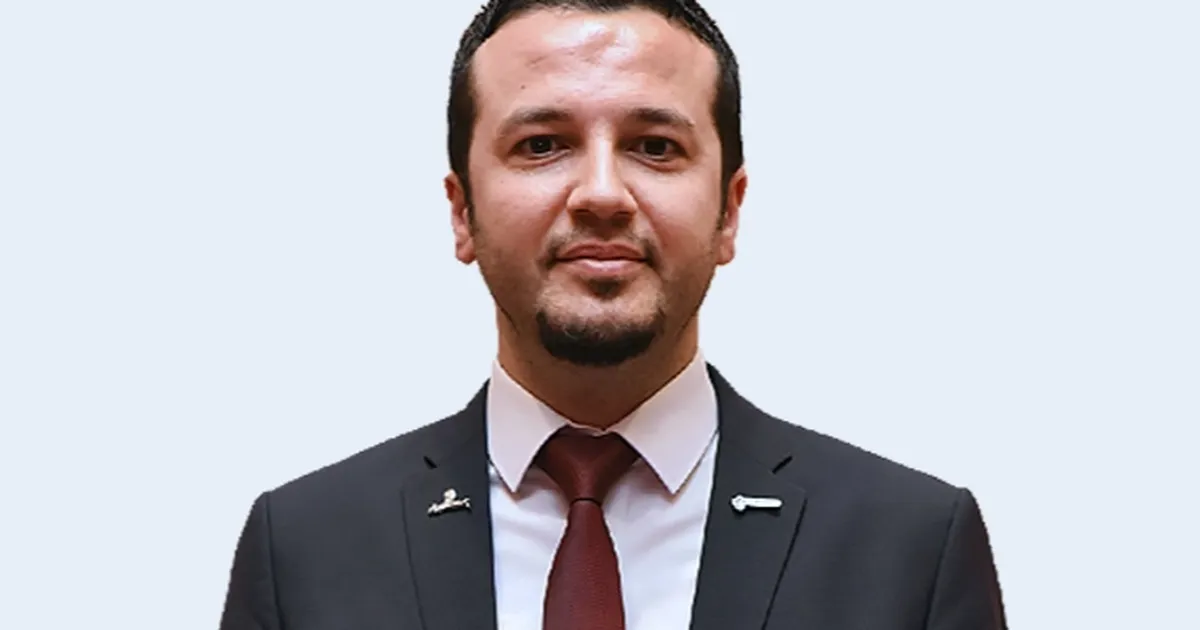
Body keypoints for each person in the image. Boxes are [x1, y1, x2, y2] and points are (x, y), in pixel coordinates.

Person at [218, 1, 1008, 628]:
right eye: (542, 144)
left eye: (655, 147)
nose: (601, 193)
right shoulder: (305, 548)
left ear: (730, 212)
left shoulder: (909, 546)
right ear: (462, 213)